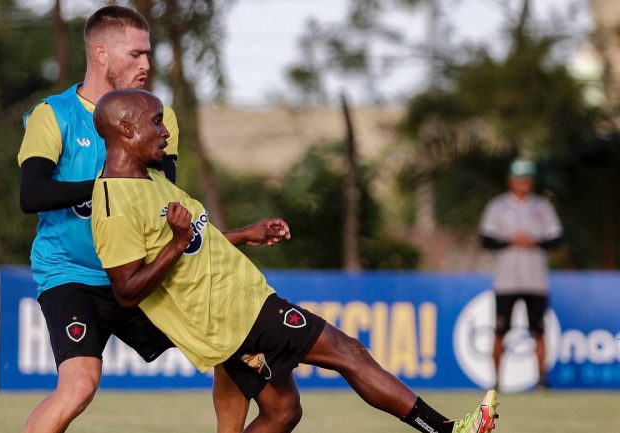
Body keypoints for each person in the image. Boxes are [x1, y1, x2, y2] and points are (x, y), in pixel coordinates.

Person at [91, 88, 499, 433]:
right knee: (347, 352)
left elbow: (195, 241)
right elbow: (127, 290)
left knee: (284, 411)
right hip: (234, 318)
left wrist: (242, 235)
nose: (165, 132)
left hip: (241, 307)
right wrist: (177, 244)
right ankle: (446, 430)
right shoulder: (113, 206)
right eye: (156, 122)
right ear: (126, 129)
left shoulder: (154, 179)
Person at [17, 6, 285, 433]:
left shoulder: (158, 119)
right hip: (72, 276)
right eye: (136, 55)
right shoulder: (54, 115)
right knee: (79, 386)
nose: (146, 65)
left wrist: (232, 236)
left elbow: (165, 208)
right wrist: (110, 186)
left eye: (149, 55)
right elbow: (32, 195)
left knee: (228, 345)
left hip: (140, 273)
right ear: (102, 54)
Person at [479, 158, 564, 390]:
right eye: (519, 178)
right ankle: (496, 382)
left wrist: (534, 241)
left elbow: (556, 238)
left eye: (527, 178)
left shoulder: (542, 207)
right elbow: (486, 239)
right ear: (510, 180)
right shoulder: (498, 206)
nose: (523, 183)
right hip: (507, 281)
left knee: (539, 331)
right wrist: (510, 240)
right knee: (500, 331)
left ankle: (541, 381)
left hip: (536, 281)